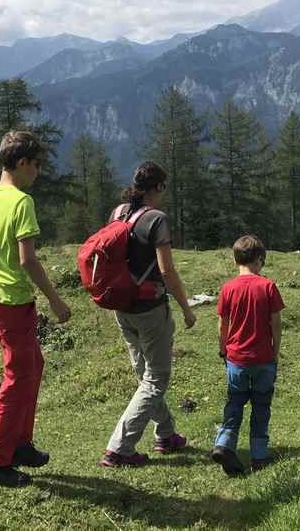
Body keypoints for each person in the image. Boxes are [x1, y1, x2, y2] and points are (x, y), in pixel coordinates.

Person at [0, 131, 73, 488]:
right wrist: (56, 300)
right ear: (21, 163)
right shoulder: (20, 202)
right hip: (12, 300)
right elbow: (27, 259)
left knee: (33, 366)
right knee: (17, 379)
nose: (39, 171)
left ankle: (18, 444)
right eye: (36, 164)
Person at [101, 161, 197, 468]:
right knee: (156, 380)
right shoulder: (157, 219)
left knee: (145, 376)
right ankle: (120, 448)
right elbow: (167, 269)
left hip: (121, 306)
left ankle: (166, 434)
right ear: (157, 187)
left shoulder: (118, 212)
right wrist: (186, 307)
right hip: (150, 310)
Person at [212, 235, 284, 477]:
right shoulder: (268, 286)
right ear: (260, 260)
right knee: (261, 405)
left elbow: (222, 325)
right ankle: (260, 456)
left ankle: (224, 444)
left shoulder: (228, 288)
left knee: (234, 402)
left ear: (235, 259)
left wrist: (224, 349)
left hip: (236, 360)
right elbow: (276, 325)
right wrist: (274, 352)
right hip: (263, 359)